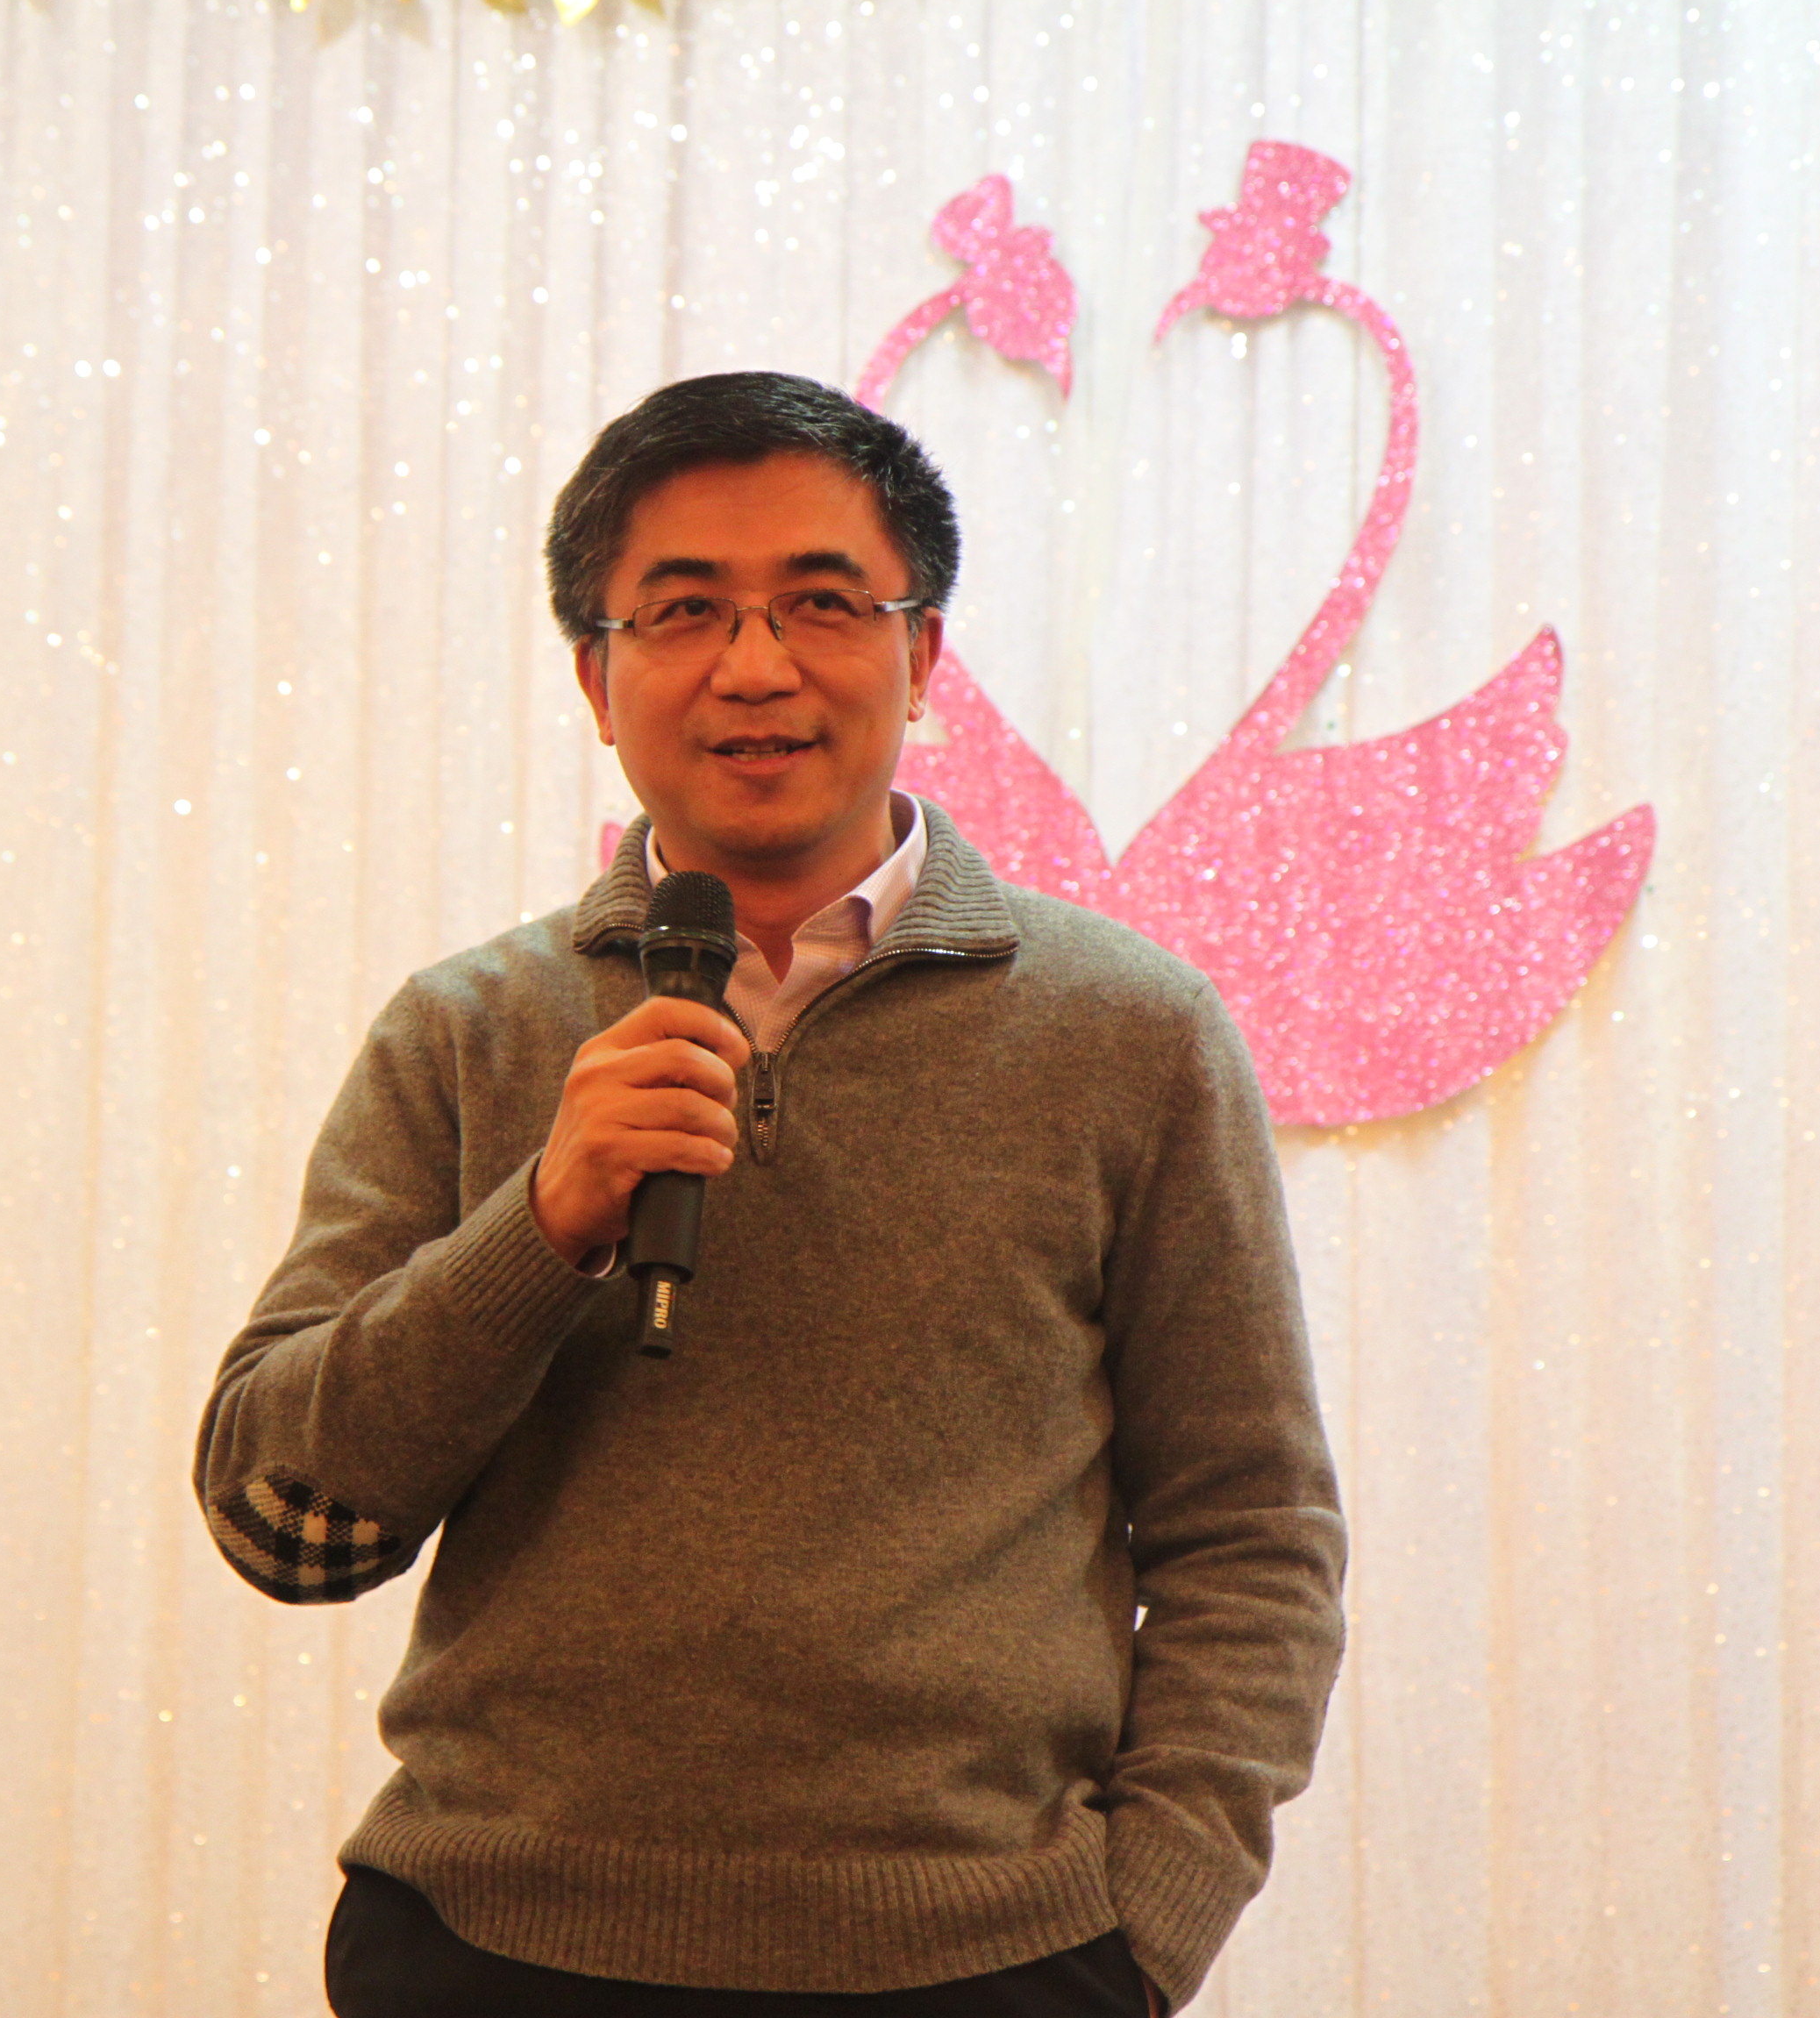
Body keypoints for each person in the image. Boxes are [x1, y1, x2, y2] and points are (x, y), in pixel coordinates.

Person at [195, 372, 1345, 2018]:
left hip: (987, 1963)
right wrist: (543, 1224)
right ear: (596, 678)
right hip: (496, 1950)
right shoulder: (467, 1031)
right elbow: (282, 1524)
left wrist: (1143, 1928)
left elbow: (1254, 1533)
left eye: (821, 602)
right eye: (683, 611)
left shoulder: (1129, 1034)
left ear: (922, 656)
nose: (755, 666)